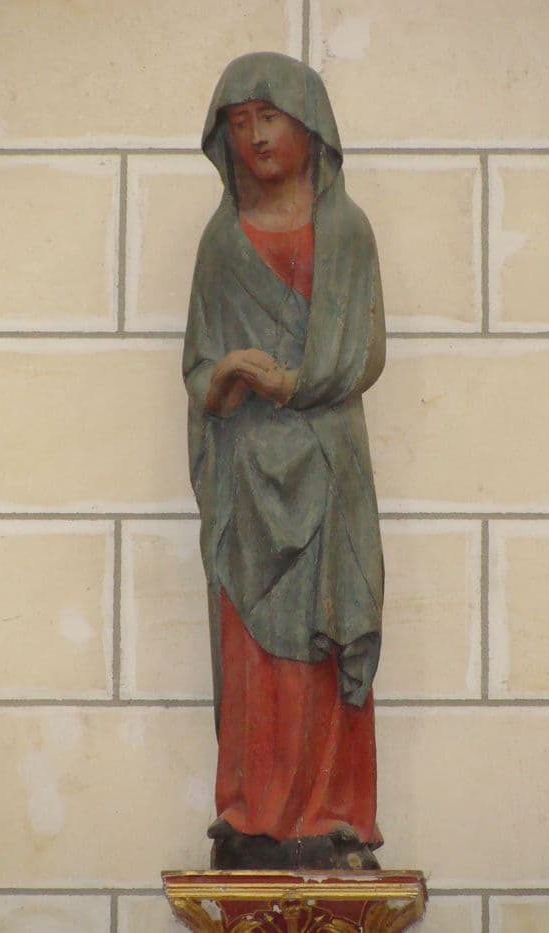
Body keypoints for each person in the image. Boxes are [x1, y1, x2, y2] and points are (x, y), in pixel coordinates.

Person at [183, 52, 386, 871]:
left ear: (309, 126)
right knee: (253, 662)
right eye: (240, 122)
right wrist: (229, 372)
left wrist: (294, 383)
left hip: (328, 470)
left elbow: (364, 351)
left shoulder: (346, 232)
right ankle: (251, 815)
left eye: (269, 117)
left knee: (322, 642)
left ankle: (331, 816)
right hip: (247, 484)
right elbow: (199, 365)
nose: (257, 136)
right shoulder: (221, 242)